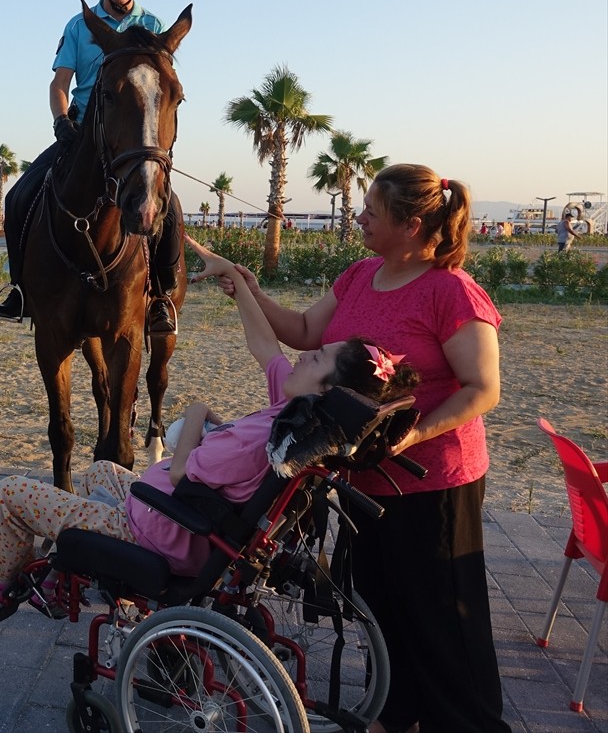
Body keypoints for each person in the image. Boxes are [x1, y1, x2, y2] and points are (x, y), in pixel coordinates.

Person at [0, 236, 419, 607]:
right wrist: (236, 277)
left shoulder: (259, 436)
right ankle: (69, 576)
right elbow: (266, 348)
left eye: (314, 358)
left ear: (326, 390)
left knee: (12, 491)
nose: (301, 357)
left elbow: (181, 473)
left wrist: (196, 414)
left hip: (155, 530)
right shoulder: (297, 420)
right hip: (168, 514)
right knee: (100, 469)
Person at [217, 164, 509, 733]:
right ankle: (399, 713)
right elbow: (303, 331)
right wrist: (252, 291)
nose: (360, 218)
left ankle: (469, 722)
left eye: (371, 212)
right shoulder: (359, 275)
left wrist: (416, 432)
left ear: (412, 224)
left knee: (444, 617)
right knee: (382, 603)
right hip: (360, 475)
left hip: (433, 482)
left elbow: (484, 388)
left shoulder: (450, 290)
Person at [0, 0, 183, 334]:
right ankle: (20, 290)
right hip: (81, 134)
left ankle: (161, 297)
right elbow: (60, 83)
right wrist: (62, 121)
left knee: (171, 209)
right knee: (20, 196)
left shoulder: (153, 26)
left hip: (130, 141)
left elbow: (160, 90)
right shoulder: (79, 26)